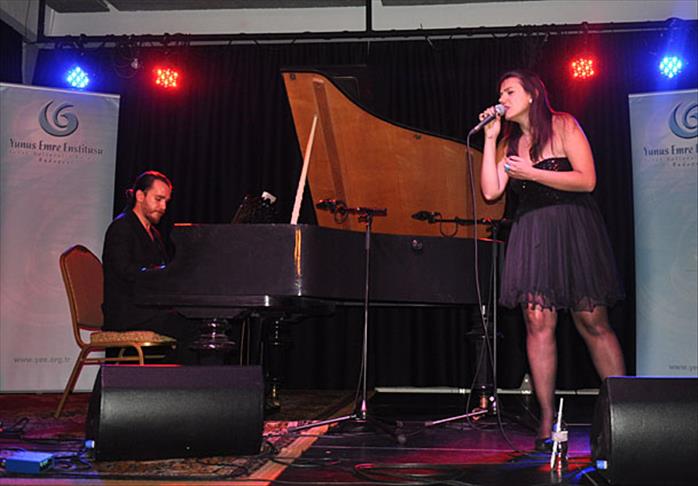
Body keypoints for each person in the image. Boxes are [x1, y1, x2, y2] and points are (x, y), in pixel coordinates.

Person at [478, 69, 626, 451]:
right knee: (537, 322)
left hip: (573, 228)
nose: (502, 99)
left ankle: (624, 410)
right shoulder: (509, 142)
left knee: (591, 320)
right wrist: (491, 139)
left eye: (509, 91)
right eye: (500, 93)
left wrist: (532, 173)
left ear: (531, 94)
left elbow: (587, 179)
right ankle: (546, 418)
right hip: (533, 234)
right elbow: (491, 192)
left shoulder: (563, 125)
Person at [102, 170, 199, 363]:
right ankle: (172, 378)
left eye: (166, 201)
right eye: (158, 199)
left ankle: (166, 376)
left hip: (146, 309)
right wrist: (160, 274)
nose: (163, 207)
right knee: (192, 328)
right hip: (127, 311)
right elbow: (124, 271)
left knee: (197, 323)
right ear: (140, 196)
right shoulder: (121, 228)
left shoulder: (154, 234)